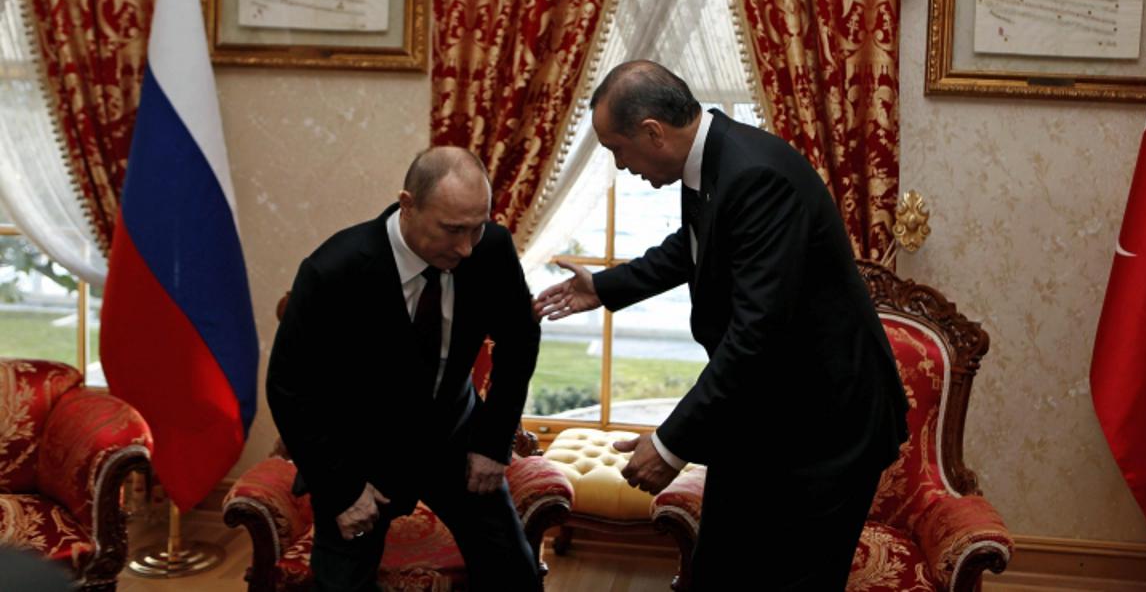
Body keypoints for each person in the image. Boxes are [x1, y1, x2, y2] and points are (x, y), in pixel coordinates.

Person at [534, 61, 908, 590]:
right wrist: (604, 288)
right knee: (719, 570)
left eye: (616, 149)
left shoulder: (756, 177)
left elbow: (755, 337)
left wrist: (669, 445)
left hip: (825, 427)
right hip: (767, 414)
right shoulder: (711, 162)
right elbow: (689, 249)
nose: (620, 166)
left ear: (652, 133)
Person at [267, 147, 541, 592]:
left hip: (455, 438)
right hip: (360, 453)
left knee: (515, 576)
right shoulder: (333, 270)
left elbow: (519, 338)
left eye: (477, 227)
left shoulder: (491, 249)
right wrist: (340, 488)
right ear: (408, 205)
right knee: (340, 585)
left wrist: (492, 443)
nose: (467, 248)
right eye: (452, 230)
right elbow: (289, 387)